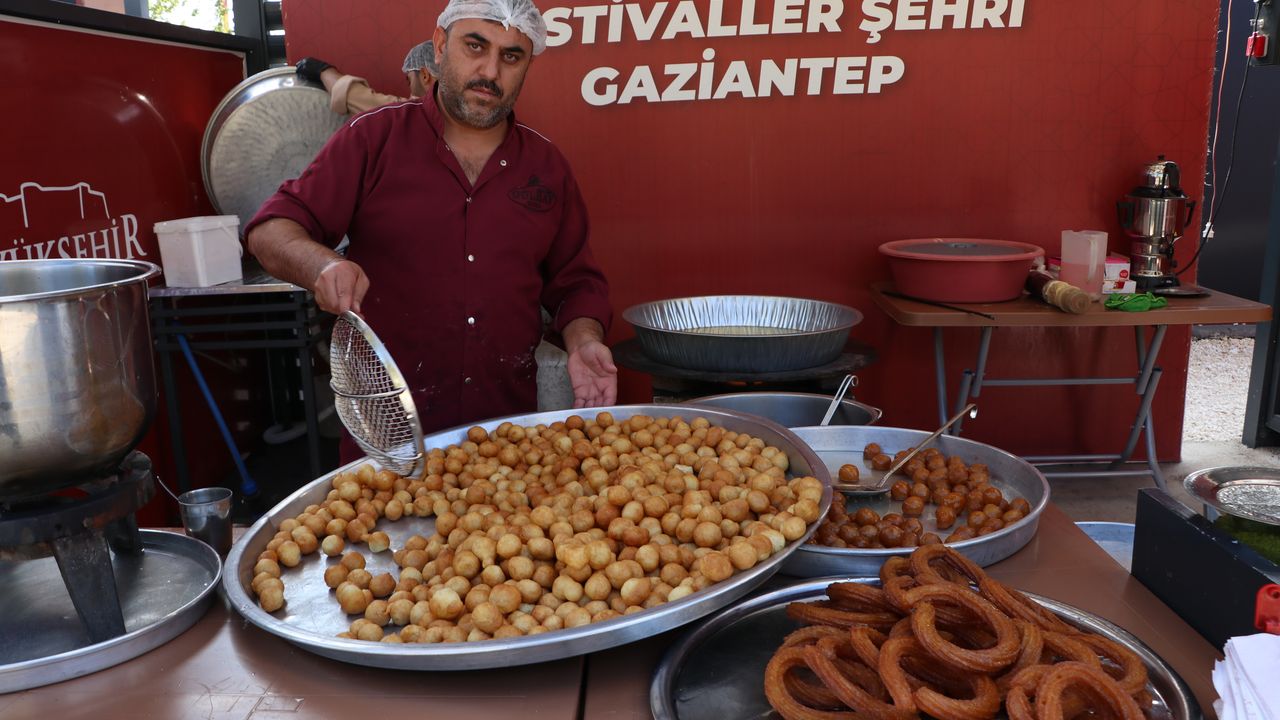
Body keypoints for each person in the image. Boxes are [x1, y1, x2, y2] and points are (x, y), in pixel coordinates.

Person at [246, 0, 616, 462]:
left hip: (504, 445)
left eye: (511, 56)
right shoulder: (373, 140)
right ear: (440, 46)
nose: (490, 71)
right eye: (475, 46)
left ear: (528, 66)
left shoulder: (546, 168)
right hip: (387, 439)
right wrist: (321, 263)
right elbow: (271, 229)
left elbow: (576, 283)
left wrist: (584, 340)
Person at [296, 40, 440, 116]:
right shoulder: (458, 114)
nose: (409, 89)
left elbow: (352, 95)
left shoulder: (414, 114)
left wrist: (322, 69)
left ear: (424, 75)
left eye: (409, 80)